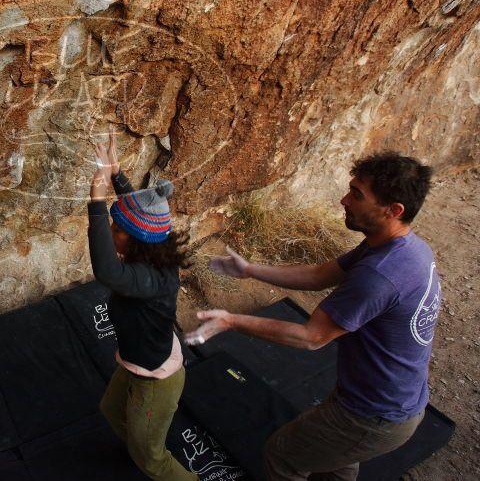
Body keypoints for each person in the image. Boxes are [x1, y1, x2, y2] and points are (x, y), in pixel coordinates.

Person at [185, 152, 439, 481]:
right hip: (385, 399)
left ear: (393, 210)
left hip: (375, 415)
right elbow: (320, 275)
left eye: (357, 195)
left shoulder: (380, 275)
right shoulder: (402, 247)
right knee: (336, 458)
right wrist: (249, 270)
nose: (344, 200)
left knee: (282, 455)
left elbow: (311, 337)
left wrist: (231, 321)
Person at [88, 128, 197, 481]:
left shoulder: (151, 280)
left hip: (156, 379)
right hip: (141, 361)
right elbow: (136, 213)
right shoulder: (151, 250)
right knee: (110, 410)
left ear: (135, 242)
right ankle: (137, 441)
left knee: (152, 460)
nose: (110, 229)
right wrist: (117, 174)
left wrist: (96, 202)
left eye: (115, 227)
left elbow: (105, 269)